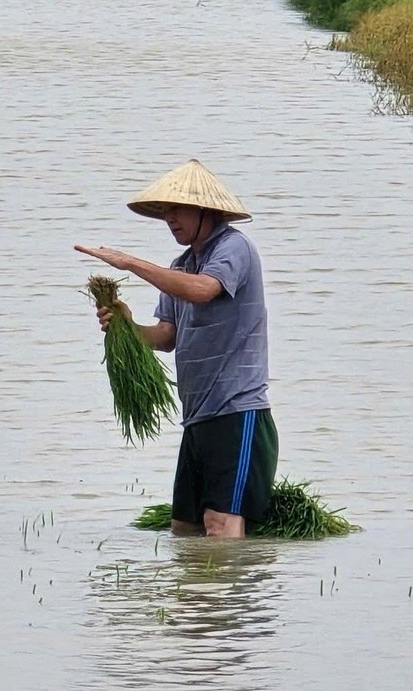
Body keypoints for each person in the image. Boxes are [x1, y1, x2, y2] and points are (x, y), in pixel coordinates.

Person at [76, 159, 278, 538]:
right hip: (197, 417)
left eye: (177, 209)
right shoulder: (181, 266)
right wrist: (125, 325)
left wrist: (130, 263)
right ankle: (195, 599)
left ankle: (230, 598)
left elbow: (204, 290)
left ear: (206, 210)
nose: (169, 218)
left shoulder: (234, 247)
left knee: (220, 525)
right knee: (184, 530)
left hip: (237, 412)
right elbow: (167, 337)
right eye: (164, 210)